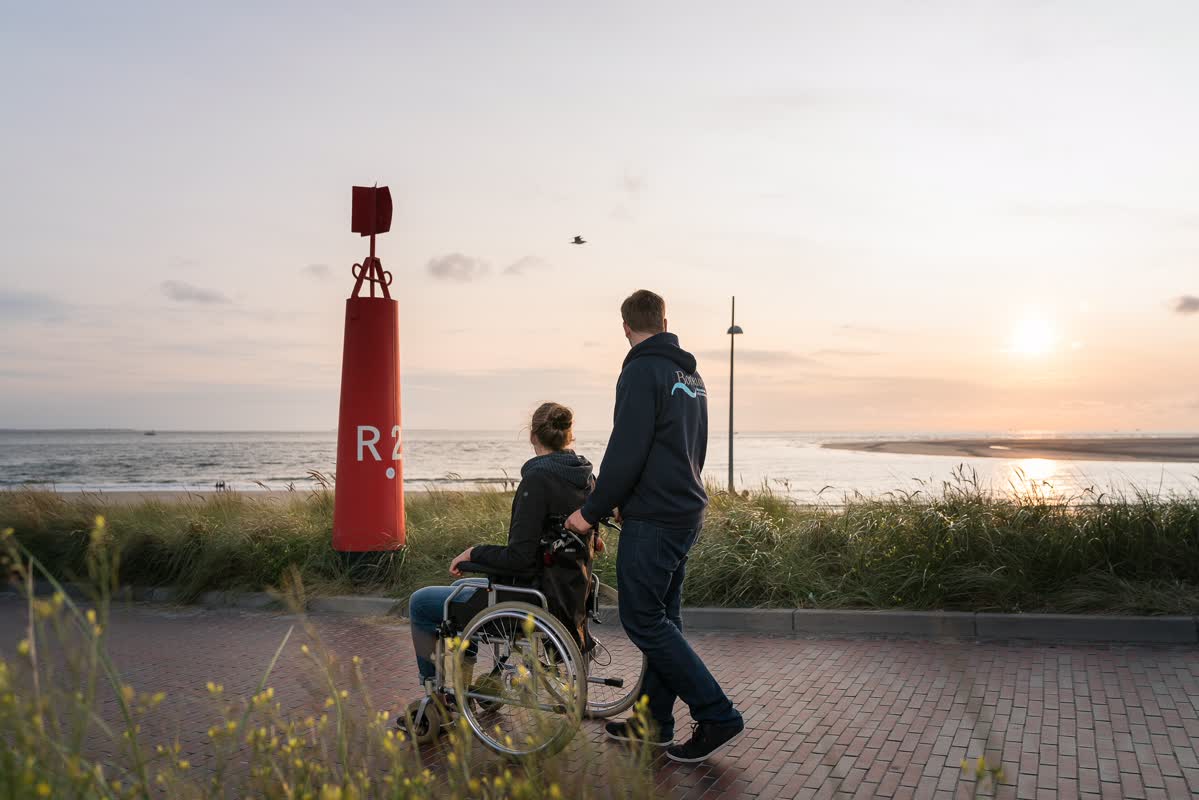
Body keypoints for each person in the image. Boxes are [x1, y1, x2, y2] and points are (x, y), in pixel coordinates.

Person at [566, 289, 744, 763]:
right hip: (686, 509)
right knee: (665, 620)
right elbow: (687, 447)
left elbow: (628, 449)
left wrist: (592, 510)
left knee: (643, 620)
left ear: (625, 327)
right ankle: (654, 722)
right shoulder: (691, 374)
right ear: (665, 320)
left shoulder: (642, 370)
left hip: (658, 518)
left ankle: (716, 714)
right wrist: (633, 498)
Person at [406, 402, 594, 692]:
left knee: (423, 602)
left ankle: (439, 696)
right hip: (568, 591)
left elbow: (519, 557)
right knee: (471, 593)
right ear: (570, 436)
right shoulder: (585, 477)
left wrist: (474, 553)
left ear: (533, 436)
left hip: (532, 598)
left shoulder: (538, 479)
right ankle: (473, 685)